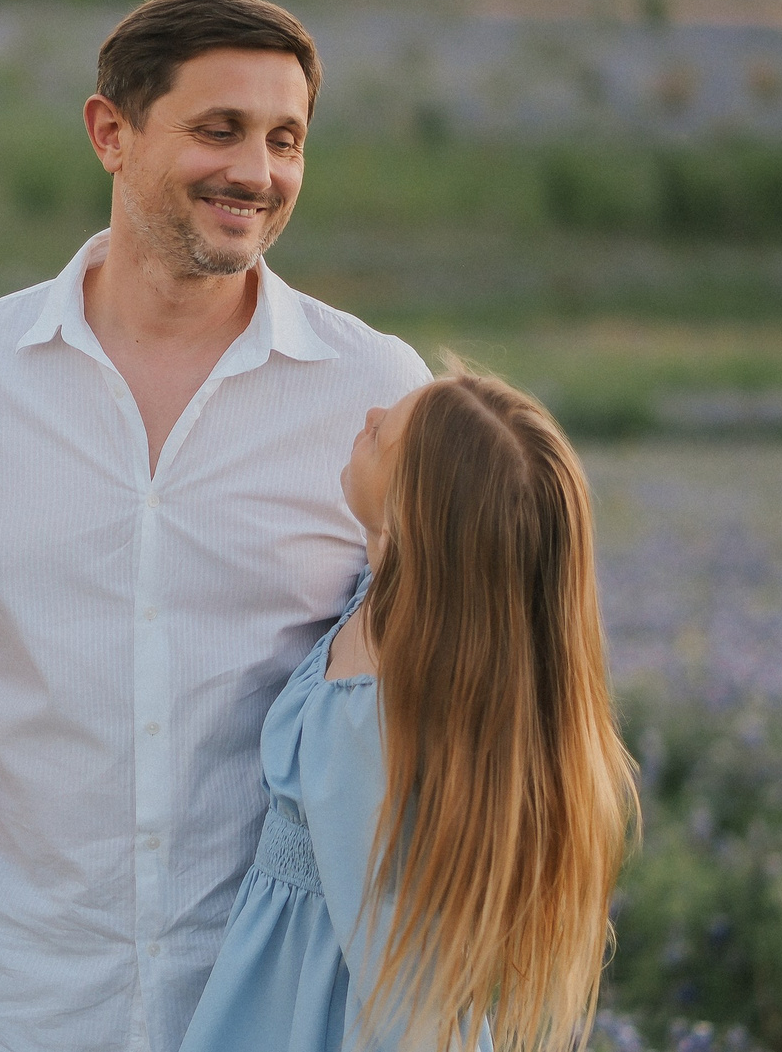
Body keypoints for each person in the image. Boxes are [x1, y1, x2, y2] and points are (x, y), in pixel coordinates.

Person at [0, 0, 430, 1052]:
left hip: (284, 1003)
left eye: (285, 139)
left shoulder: (374, 390)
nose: (256, 172)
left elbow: (467, 682)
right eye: (218, 130)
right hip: (20, 1003)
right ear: (109, 133)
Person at [179, 372, 637, 1052]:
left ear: (409, 516)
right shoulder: (411, 619)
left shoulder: (365, 707)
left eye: (380, 433)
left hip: (317, 1009)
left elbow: (391, 949)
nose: (366, 414)